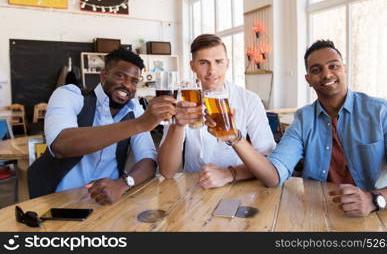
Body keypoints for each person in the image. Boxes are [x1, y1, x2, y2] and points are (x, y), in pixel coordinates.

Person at [234, 39, 387, 217]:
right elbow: (273, 175)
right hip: (318, 213)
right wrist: (235, 138)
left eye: (333, 66)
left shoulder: (382, 112)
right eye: (316, 70)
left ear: (344, 69)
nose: (327, 74)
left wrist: (373, 200)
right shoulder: (303, 119)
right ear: (308, 79)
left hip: (377, 214)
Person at [28, 47, 176, 204]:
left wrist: (123, 184)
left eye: (134, 81)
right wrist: (140, 124)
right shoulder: (70, 95)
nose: (127, 85)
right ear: (104, 75)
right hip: (55, 200)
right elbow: (61, 145)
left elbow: (148, 160)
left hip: (105, 202)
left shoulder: (134, 109)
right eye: (120, 76)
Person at [158, 34, 275, 188]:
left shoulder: (249, 100)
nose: (212, 70)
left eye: (218, 62)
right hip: (194, 188)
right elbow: (166, 171)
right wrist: (177, 126)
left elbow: (269, 160)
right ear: (192, 66)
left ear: (227, 64)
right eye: (203, 63)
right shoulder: (181, 100)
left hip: (240, 184)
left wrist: (228, 173)